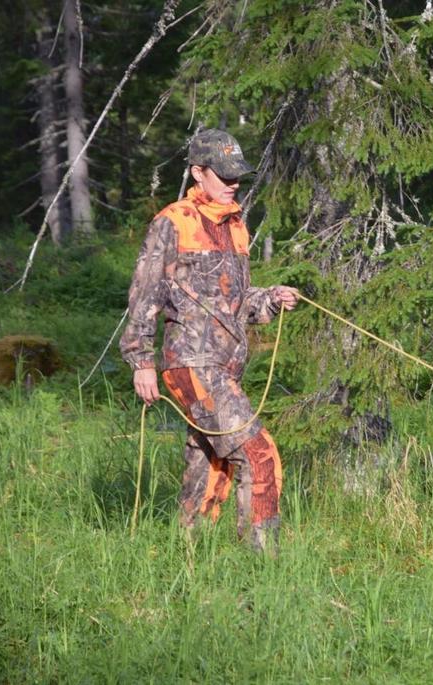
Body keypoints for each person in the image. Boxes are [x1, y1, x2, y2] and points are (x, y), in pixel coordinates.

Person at [120, 129, 299, 553]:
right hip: (190, 364)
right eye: (223, 174)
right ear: (198, 173)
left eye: (238, 174)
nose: (233, 182)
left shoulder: (236, 224)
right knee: (259, 455)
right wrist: (141, 360)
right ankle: (264, 565)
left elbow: (235, 300)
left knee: (211, 465)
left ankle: (188, 562)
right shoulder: (172, 222)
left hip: (226, 365)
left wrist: (270, 298)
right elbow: (145, 293)